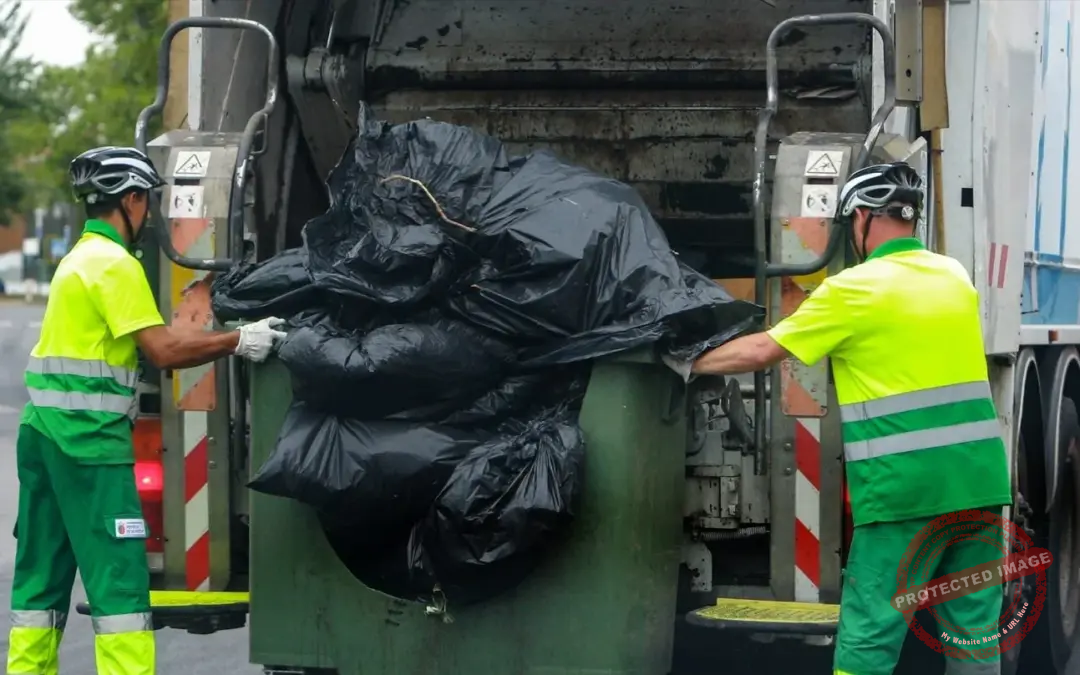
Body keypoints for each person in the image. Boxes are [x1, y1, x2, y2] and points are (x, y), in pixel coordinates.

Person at [678, 161, 1011, 675]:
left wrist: (684, 362)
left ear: (861, 218)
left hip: (904, 495)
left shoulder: (854, 290)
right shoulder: (955, 277)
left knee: (870, 639)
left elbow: (764, 350)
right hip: (981, 487)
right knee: (973, 639)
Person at [7, 146, 287, 675]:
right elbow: (162, 351)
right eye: (149, 201)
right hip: (88, 444)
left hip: (42, 437)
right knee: (120, 590)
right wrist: (238, 340)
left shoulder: (77, 260)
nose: (152, 213)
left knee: (38, 585)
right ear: (131, 200)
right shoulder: (116, 265)